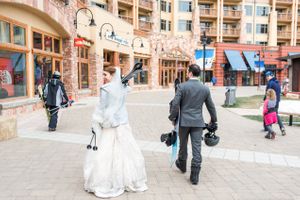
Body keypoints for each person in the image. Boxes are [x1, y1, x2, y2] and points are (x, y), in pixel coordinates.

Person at [83, 67, 147, 198]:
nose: (104, 77)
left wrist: (96, 121)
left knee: (106, 154)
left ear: (113, 75)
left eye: (105, 74)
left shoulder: (105, 89)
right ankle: (125, 179)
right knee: (125, 152)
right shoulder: (123, 88)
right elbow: (128, 89)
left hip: (109, 125)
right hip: (122, 124)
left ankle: (108, 181)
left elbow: (102, 108)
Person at [169, 64, 217, 185]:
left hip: (183, 122)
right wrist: (214, 119)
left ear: (190, 73)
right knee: (197, 148)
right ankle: (194, 176)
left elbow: (175, 104)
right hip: (197, 123)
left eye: (187, 71)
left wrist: (172, 117)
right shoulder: (205, 89)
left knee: (183, 145)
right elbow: (211, 106)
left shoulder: (182, 87)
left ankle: (182, 165)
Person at [264, 71, 286, 136]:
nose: (267, 77)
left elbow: (268, 92)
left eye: (268, 76)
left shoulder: (270, 83)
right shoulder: (277, 82)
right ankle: (282, 128)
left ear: (271, 76)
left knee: (269, 115)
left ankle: (269, 132)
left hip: (271, 102)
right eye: (266, 76)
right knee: (275, 114)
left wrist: (265, 100)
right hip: (277, 101)